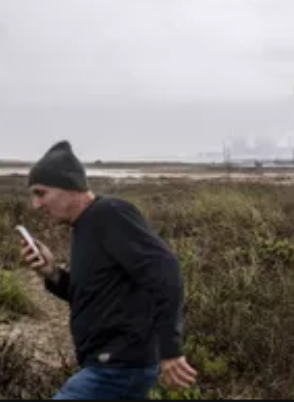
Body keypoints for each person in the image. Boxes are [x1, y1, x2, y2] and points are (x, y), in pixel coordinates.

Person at [20, 140, 199, 400]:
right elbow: (94, 293)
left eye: (41, 193)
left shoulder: (110, 214)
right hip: (108, 365)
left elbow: (166, 272)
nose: (35, 204)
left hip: (119, 368)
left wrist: (170, 349)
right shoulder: (84, 226)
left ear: (70, 187)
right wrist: (52, 273)